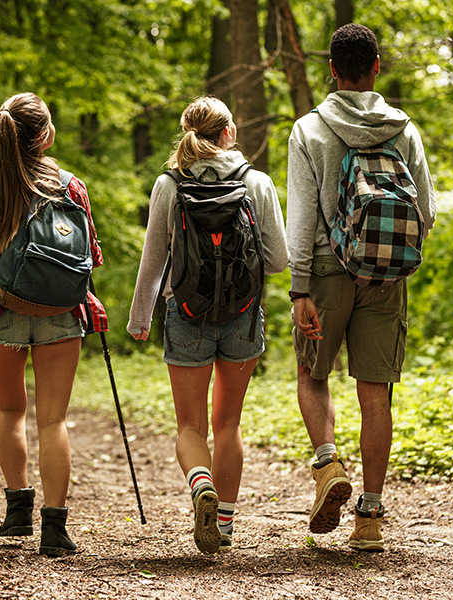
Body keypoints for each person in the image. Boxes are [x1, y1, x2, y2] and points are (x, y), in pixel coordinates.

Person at [286, 24, 437, 551]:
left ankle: (328, 465)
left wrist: (299, 286)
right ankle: (369, 519)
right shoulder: (404, 129)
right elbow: (427, 211)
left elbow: (302, 217)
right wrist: (387, 255)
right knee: (376, 393)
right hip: (385, 276)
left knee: (312, 372)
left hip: (326, 272)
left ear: (331, 69)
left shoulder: (309, 129)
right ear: (376, 67)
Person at [127, 96, 288, 554]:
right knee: (229, 423)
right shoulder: (256, 182)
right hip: (241, 315)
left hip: (187, 314)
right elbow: (277, 262)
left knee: (189, 427)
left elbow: (154, 258)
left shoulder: (169, 183)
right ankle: (227, 526)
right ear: (229, 133)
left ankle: (201, 484)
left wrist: (140, 317)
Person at [0, 92, 107, 557]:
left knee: (10, 412)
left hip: (1, 311)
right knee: (54, 420)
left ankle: (16, 512)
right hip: (61, 314)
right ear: (45, 135)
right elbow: (92, 255)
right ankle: (55, 529)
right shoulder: (72, 186)